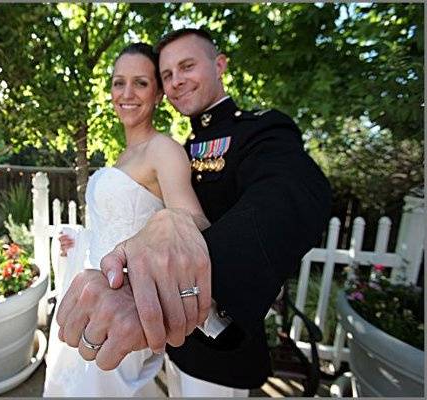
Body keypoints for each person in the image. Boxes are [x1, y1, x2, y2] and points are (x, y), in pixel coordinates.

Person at [56, 28, 332, 397]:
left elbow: (289, 194)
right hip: (169, 336)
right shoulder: (186, 146)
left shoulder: (259, 130)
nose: (177, 81)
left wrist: (190, 265)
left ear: (219, 65)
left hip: (220, 342)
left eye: (187, 66)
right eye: (168, 74)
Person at [43, 42, 212, 397]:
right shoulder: (121, 155)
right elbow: (110, 224)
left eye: (140, 83)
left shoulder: (162, 149)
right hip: (90, 290)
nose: (127, 93)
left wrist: (171, 225)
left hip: (126, 300)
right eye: (119, 83)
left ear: (158, 94)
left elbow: (191, 220)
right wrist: (78, 239)